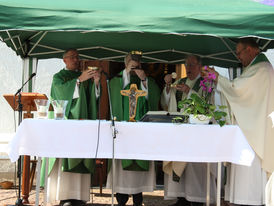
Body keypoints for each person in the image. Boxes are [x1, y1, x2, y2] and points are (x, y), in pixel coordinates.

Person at [202, 37, 274, 206]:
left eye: (239, 53)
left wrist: (218, 78)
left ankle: (251, 201)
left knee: (250, 178)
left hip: (254, 133)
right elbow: (239, 90)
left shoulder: (261, 69)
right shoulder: (256, 68)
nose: (238, 58)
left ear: (250, 50)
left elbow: (238, 91)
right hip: (252, 128)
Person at [41, 49, 101, 206]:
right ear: (64, 60)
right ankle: (65, 195)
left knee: (81, 155)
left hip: (82, 123)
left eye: (78, 57)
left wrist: (95, 83)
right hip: (66, 123)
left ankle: (79, 196)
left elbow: (92, 99)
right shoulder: (59, 77)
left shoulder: (83, 75)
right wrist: (78, 81)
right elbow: (60, 95)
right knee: (66, 156)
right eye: (73, 57)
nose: (76, 60)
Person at [161, 55, 217, 206]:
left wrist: (190, 92)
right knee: (179, 161)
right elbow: (166, 102)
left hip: (197, 133)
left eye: (192, 65)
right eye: (186, 65)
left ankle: (197, 198)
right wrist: (168, 88)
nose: (188, 68)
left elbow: (208, 106)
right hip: (180, 130)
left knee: (194, 167)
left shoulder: (207, 83)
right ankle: (181, 197)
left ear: (200, 66)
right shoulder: (180, 81)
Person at [106, 51, 160, 206]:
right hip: (123, 130)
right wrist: (126, 74)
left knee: (138, 162)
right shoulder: (118, 80)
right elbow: (114, 92)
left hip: (140, 131)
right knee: (122, 164)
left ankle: (138, 196)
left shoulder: (146, 80)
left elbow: (154, 96)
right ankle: (121, 197)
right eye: (131, 61)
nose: (134, 63)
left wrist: (144, 80)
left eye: (137, 61)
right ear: (125, 63)